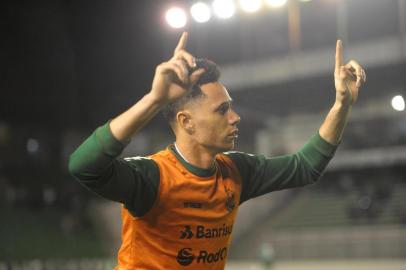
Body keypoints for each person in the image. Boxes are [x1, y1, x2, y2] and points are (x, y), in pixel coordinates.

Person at [68, 32, 366, 269]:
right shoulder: (153, 178)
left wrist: (342, 105)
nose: (235, 118)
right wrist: (154, 100)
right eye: (222, 110)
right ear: (187, 122)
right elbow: (83, 166)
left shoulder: (236, 172)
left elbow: (305, 167)